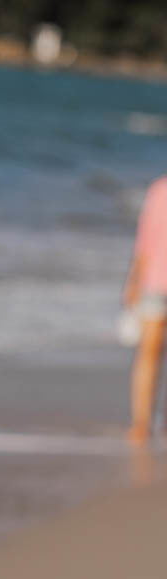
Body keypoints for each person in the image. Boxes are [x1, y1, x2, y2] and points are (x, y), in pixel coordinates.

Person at [123, 173, 167, 443]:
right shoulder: (159, 190)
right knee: (149, 351)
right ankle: (141, 422)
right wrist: (134, 280)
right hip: (155, 282)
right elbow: (145, 240)